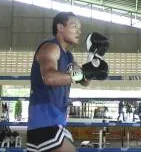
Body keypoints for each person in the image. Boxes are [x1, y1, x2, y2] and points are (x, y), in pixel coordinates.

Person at [26, 12, 109, 152]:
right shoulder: (50, 47)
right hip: (45, 123)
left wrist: (93, 59)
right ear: (60, 27)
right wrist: (85, 72)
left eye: (80, 28)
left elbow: (84, 81)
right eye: (74, 26)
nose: (79, 31)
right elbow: (49, 77)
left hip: (55, 124)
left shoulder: (69, 57)